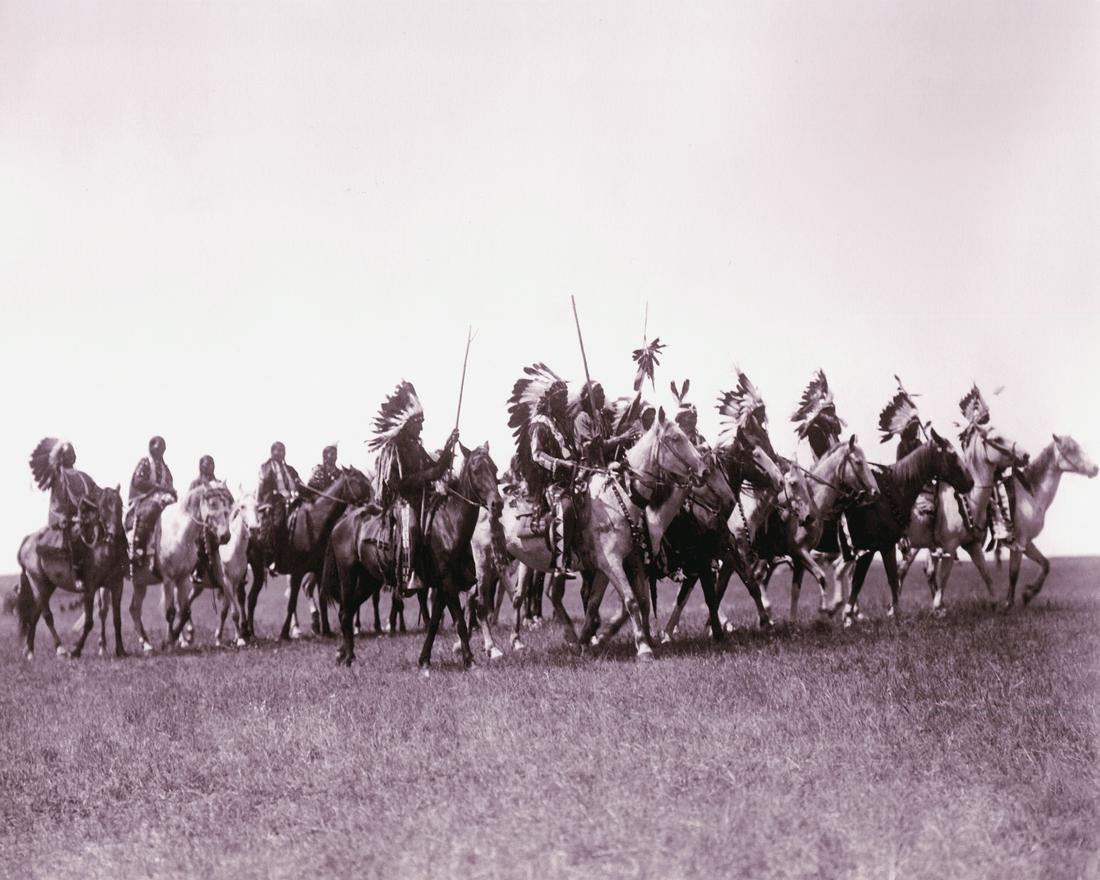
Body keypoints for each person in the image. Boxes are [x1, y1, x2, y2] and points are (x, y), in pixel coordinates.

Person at [370, 382, 459, 594]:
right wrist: (425, 476)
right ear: (408, 424)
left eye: (422, 422)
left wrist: (449, 446)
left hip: (424, 499)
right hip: (403, 502)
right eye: (418, 422)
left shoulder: (417, 447)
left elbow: (435, 470)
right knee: (411, 528)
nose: (421, 427)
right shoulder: (394, 449)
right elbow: (396, 482)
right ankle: (408, 575)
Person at [28, 438, 99, 586]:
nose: (72, 456)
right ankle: (79, 574)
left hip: (85, 517)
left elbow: (95, 492)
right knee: (77, 535)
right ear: (62, 457)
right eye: (68, 454)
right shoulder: (59, 479)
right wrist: (66, 518)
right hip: (69, 520)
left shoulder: (83, 477)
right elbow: (57, 504)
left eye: (73, 453)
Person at [528, 379, 580, 575]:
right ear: (550, 400)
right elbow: (537, 455)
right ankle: (560, 562)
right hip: (550, 482)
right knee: (566, 508)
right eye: (560, 398)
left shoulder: (563, 424)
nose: (565, 401)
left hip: (572, 478)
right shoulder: (539, 424)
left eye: (566, 397)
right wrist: (560, 464)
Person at [128, 435, 177, 569]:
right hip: (145, 498)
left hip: (164, 499)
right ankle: (138, 546)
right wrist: (157, 487)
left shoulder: (165, 468)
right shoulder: (145, 463)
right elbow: (137, 481)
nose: (160, 451)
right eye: (158, 448)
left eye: (162, 448)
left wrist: (171, 491)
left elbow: (170, 484)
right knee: (152, 509)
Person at [258, 441, 303, 571]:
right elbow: (264, 487)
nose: (279, 453)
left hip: (294, 500)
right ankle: (274, 558)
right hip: (276, 501)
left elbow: (298, 481)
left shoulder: (290, 469)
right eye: (277, 450)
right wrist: (267, 504)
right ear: (272, 452)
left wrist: (299, 484)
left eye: (282, 450)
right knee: (278, 525)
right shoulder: (266, 467)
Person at [189, 455, 232, 583]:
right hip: (201, 522)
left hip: (219, 520)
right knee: (202, 540)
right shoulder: (196, 484)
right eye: (207, 464)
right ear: (201, 466)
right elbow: (190, 504)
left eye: (212, 463)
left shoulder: (219, 483)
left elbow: (230, 499)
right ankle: (199, 570)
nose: (210, 466)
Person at [573, 381, 634, 467]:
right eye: (599, 392)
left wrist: (624, 438)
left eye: (602, 392)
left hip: (606, 461)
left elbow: (608, 439)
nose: (603, 396)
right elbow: (592, 449)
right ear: (589, 397)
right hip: (591, 466)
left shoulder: (600, 416)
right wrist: (620, 439)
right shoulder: (582, 418)